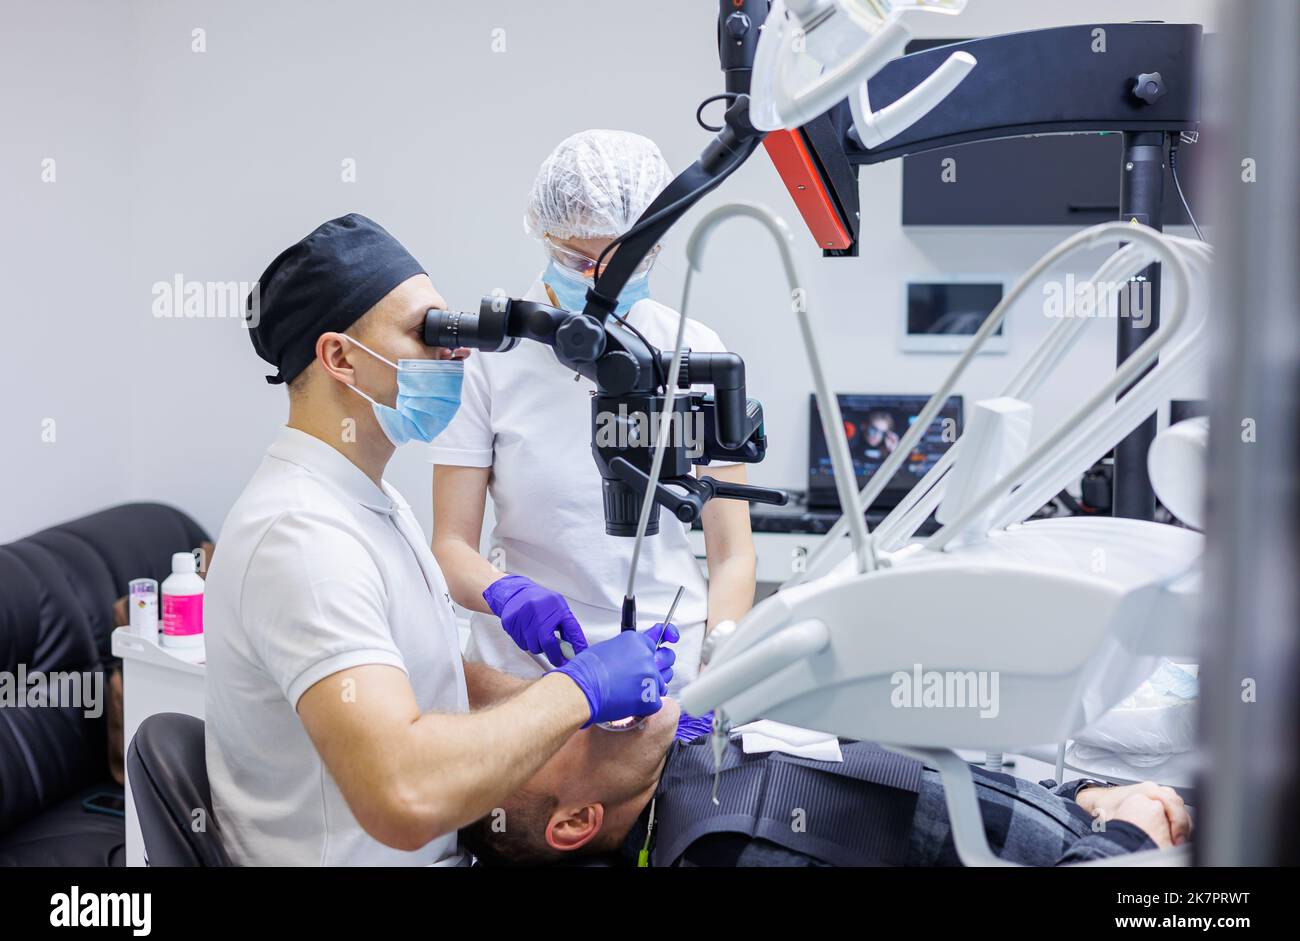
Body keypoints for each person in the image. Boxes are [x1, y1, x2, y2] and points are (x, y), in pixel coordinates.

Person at [203, 213, 677, 866]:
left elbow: (425, 684)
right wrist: (580, 691)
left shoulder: (369, 501)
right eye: (429, 331)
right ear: (340, 357)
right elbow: (403, 795)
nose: (457, 350)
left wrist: (597, 715)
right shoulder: (302, 539)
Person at [429, 130, 755, 690]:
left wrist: (717, 668)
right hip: (529, 668)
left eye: (629, 258)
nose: (602, 281)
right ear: (546, 234)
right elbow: (450, 546)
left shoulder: (693, 347)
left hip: (670, 660)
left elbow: (732, 554)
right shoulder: (491, 359)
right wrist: (504, 593)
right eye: (580, 260)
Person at [459, 700, 1193, 867]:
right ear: (574, 823)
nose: (584, 706)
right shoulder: (730, 852)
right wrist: (1128, 844)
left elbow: (934, 794)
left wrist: (1085, 801)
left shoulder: (703, 758)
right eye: (558, 732)